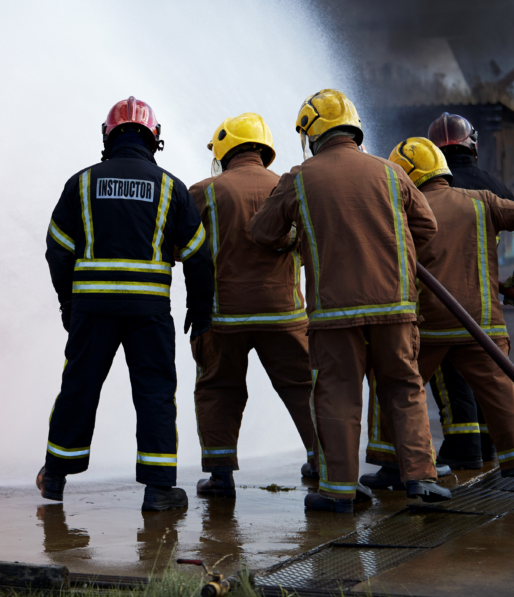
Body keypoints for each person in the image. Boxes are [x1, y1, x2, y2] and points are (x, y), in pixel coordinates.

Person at [249, 89, 450, 513]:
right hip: (395, 307)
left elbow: (263, 232)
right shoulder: (392, 174)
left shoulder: (299, 178)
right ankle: (421, 480)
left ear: (311, 133)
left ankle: (339, 490)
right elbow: (426, 227)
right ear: (355, 126)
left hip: (333, 312)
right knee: (404, 388)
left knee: (337, 395)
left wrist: (298, 236)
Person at [38, 96, 214, 512]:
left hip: (91, 310)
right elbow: (198, 255)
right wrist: (201, 310)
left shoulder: (80, 184)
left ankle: (56, 479)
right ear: (155, 139)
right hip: (149, 314)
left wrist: (69, 303)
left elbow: (57, 249)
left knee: (78, 389)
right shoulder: (171, 187)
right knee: (154, 393)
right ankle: (158, 490)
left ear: (108, 136)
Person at [360, 139, 514, 485]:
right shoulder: (482, 202)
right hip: (482, 322)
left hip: (428, 326)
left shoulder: (402, 210)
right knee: (502, 394)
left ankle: (393, 465)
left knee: (394, 385)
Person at [187, 112, 317, 497]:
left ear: (225, 151)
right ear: (264, 150)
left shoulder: (204, 192)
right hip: (285, 312)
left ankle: (221, 474)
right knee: (303, 386)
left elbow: (184, 250)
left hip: (224, 315)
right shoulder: (288, 186)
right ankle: (323, 461)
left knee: (218, 388)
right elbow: (308, 243)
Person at [425, 112, 513, 469]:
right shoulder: (492, 187)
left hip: (439, 298)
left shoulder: (424, 192)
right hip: (485, 300)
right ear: (472, 144)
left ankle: (465, 445)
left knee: (448, 374)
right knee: (492, 380)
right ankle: (493, 446)